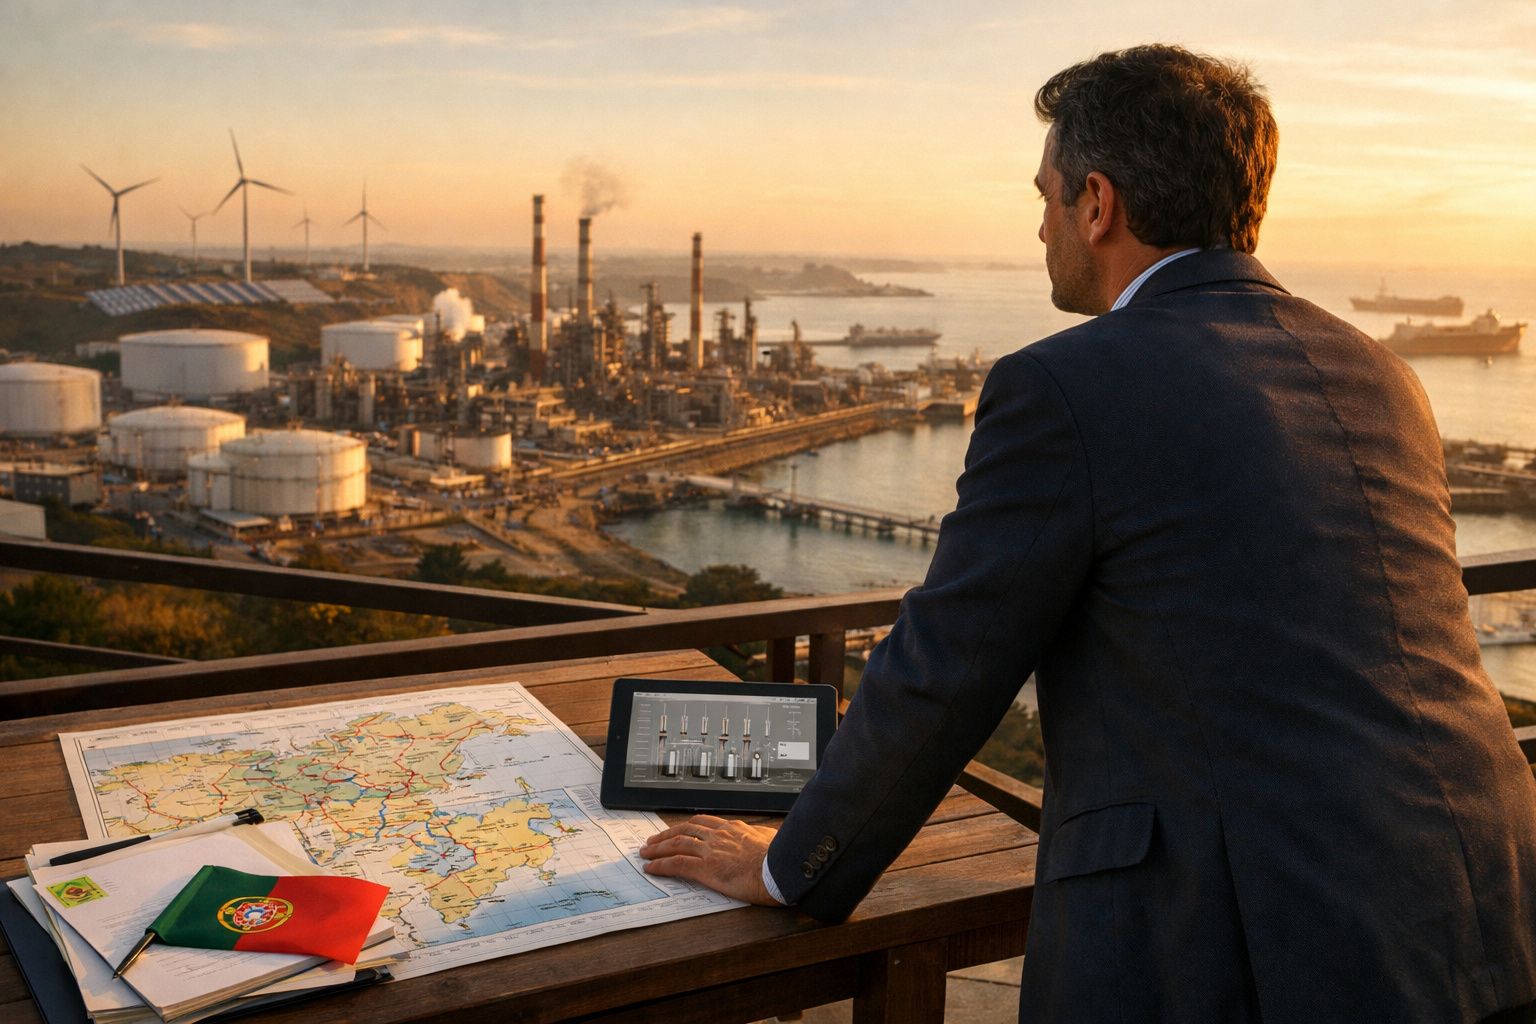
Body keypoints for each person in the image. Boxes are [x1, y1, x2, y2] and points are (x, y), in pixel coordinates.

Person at [640, 44, 1536, 1023]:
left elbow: (945, 661)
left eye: (1047, 196)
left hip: (1244, 934)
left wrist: (787, 866)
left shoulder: (1064, 385)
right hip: (1486, 890)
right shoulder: (1378, 371)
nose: (1040, 226)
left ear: (1097, 204)